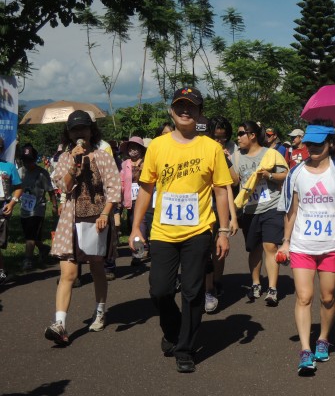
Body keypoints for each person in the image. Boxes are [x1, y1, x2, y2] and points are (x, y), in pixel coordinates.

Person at [128, 87, 232, 373]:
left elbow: (221, 191)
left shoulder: (210, 147)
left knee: (192, 290)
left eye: (191, 107)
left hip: (199, 230)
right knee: (159, 290)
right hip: (162, 231)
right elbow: (147, 189)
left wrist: (223, 231)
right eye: (180, 105)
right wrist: (136, 226)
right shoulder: (159, 146)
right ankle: (172, 329)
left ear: (199, 112)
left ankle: (185, 348)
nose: (185, 110)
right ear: (172, 110)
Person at [277, 121, 335, 375]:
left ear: (330, 145)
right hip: (303, 244)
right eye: (309, 144)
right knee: (304, 297)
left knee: (327, 298)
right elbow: (291, 211)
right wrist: (286, 240)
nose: (312, 148)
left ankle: (323, 338)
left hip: (331, 245)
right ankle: (305, 350)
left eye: (318, 144)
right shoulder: (296, 173)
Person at [44, 110, 121, 345]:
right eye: (74, 129)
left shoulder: (103, 156)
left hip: (96, 218)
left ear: (91, 130)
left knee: (97, 267)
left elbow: (114, 188)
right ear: (68, 133)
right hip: (71, 219)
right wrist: (74, 165)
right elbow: (64, 187)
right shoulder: (65, 157)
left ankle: (100, 311)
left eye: (83, 128)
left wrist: (106, 214)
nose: (80, 133)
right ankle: (60, 324)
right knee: (68, 272)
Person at [232, 120, 288, 306]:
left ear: (252, 135)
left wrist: (269, 175)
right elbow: (232, 182)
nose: (238, 137)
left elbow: (285, 175)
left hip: (271, 206)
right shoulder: (237, 157)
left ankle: (272, 288)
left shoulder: (270, 154)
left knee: (270, 246)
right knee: (254, 248)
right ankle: (256, 284)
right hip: (249, 209)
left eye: (241, 133)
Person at [203, 116, 239, 312]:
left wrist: (226, 160)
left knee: (218, 250)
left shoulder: (223, 154)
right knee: (203, 252)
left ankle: (216, 283)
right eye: (216, 137)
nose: (219, 141)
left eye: (224, 138)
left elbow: (234, 181)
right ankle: (206, 288)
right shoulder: (200, 149)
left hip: (218, 209)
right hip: (199, 210)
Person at [18, 144, 56, 270]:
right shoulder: (20, 172)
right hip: (24, 209)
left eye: (30, 161)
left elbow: (50, 191)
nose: (27, 164)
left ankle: (28, 260)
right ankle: (44, 248)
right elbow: (16, 187)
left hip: (38, 209)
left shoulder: (42, 173)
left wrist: (55, 205)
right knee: (30, 235)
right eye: (25, 161)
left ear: (35, 159)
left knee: (31, 235)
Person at [120, 136, 147, 266]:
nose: (133, 151)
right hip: (130, 199)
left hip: (144, 198)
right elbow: (121, 181)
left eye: (136, 148)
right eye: (131, 149)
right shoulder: (125, 164)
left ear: (141, 150)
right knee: (132, 224)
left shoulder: (146, 162)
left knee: (142, 224)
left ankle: (139, 253)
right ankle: (140, 249)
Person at [0, 137, 23, 284]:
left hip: (2, 207)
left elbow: (19, 187)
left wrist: (13, 203)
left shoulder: (9, 167)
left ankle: (1, 272)